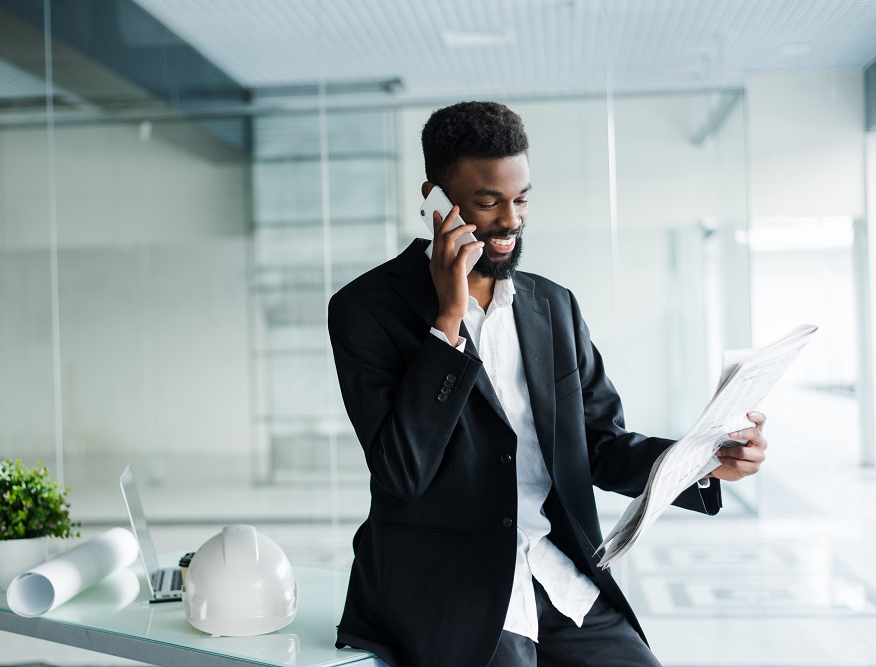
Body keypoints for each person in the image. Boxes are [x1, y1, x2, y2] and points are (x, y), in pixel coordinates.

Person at [327, 101, 767, 667]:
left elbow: (602, 445)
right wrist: (448, 323)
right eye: (488, 202)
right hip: (449, 594)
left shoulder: (552, 306)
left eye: (522, 198)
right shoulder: (366, 309)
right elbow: (401, 471)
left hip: (555, 574)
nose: (510, 219)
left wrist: (708, 459)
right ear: (435, 198)